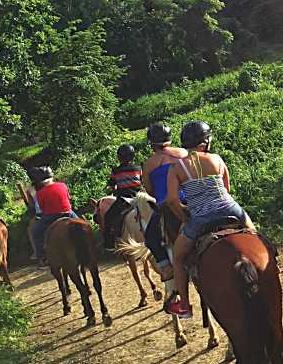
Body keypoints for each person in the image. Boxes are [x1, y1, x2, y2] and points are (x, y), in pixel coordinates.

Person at [164, 121, 251, 319]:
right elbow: (227, 189)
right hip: (230, 209)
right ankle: (275, 263)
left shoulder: (177, 167)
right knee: (255, 234)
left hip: (201, 217)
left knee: (177, 258)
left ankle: (184, 306)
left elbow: (171, 200)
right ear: (206, 142)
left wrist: (185, 217)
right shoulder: (217, 159)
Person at [140, 123, 187, 277]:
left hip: (167, 205)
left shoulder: (148, 164)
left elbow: (150, 190)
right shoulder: (183, 152)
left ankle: (166, 267)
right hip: (191, 198)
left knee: (151, 237)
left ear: (152, 143)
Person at [28, 166, 79, 265]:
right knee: (83, 225)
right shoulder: (63, 185)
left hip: (50, 216)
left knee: (36, 232)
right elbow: (68, 198)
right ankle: (91, 246)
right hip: (68, 212)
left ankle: (42, 257)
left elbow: (42, 209)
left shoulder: (39, 193)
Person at [102, 144, 143, 251]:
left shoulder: (116, 171)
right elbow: (142, 182)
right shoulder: (138, 168)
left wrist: (114, 190)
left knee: (108, 217)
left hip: (124, 200)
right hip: (139, 198)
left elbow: (111, 185)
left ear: (119, 157)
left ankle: (109, 244)